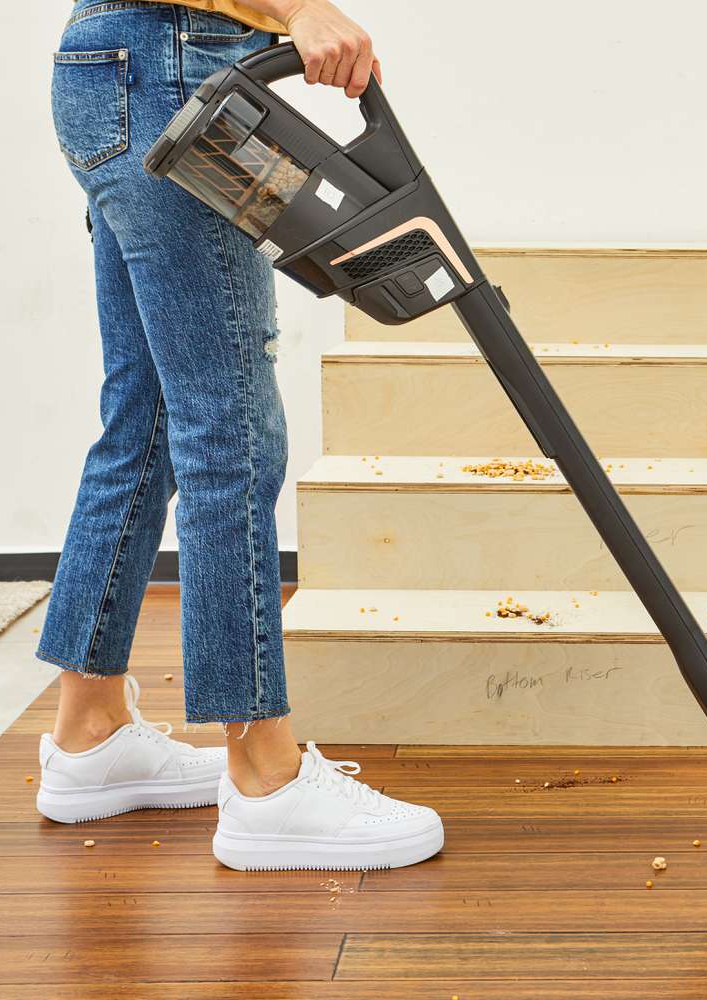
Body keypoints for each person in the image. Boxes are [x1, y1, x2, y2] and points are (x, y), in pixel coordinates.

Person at [36, 0, 443, 872]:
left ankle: (91, 730)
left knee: (141, 421)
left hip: (119, 70)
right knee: (232, 436)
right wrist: (294, 9)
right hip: (175, 69)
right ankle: (265, 778)